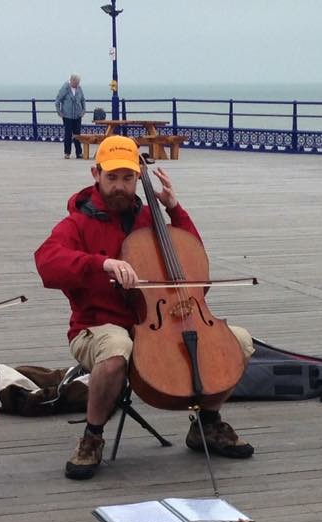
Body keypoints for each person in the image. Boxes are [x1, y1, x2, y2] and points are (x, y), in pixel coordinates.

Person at [34, 135, 256, 479]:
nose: (120, 186)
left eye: (127, 178)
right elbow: (47, 262)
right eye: (112, 177)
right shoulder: (77, 222)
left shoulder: (149, 218)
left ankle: (206, 424)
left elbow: (191, 257)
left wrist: (173, 208)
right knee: (117, 347)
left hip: (160, 322)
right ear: (96, 173)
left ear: (139, 177)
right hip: (97, 326)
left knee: (238, 341)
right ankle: (92, 437)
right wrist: (101, 264)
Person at [54, 74, 86, 159]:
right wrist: (59, 112)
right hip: (67, 115)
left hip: (77, 115)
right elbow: (57, 100)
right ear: (72, 80)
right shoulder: (65, 88)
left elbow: (83, 100)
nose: (77, 84)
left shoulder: (79, 88)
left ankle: (79, 153)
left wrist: (83, 110)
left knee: (77, 134)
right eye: (76, 82)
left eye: (78, 83)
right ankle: (67, 153)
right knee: (68, 134)